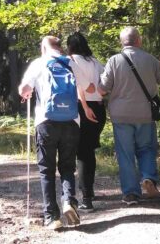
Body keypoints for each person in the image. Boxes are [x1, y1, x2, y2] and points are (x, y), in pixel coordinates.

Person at [99, 26, 160, 205]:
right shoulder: (151, 60)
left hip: (121, 115)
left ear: (122, 42)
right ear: (139, 41)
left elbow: (102, 88)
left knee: (125, 154)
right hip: (145, 114)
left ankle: (131, 194)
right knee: (146, 148)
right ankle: (148, 178)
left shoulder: (114, 61)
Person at [19, 35, 81, 230]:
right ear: (59, 47)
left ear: (43, 48)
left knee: (47, 169)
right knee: (67, 166)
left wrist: (27, 93)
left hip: (46, 121)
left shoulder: (39, 63)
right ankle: (69, 202)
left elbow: (24, 89)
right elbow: (88, 87)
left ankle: (51, 217)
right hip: (71, 121)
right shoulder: (71, 62)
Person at [66, 31, 106, 211]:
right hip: (99, 107)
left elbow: (81, 86)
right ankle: (89, 191)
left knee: (81, 153)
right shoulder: (96, 61)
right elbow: (105, 84)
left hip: (81, 107)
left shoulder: (71, 61)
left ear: (70, 46)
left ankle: (86, 198)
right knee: (88, 152)